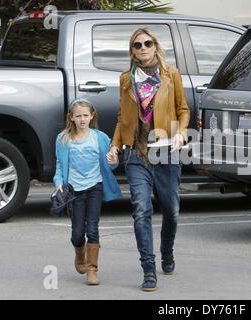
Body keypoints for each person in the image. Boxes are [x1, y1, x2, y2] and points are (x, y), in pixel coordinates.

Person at [107, 28, 190, 291]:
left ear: (155, 46)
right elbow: (123, 117)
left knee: (172, 212)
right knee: (141, 211)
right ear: (132, 51)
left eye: (148, 43)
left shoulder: (170, 75)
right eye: (137, 45)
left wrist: (181, 133)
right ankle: (148, 269)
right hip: (137, 153)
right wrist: (115, 145)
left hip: (166, 151)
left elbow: (183, 109)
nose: (143, 48)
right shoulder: (125, 79)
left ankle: (167, 252)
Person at [53, 98, 122, 286]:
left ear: (92, 116)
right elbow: (60, 165)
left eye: (85, 115)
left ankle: (92, 269)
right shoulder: (63, 138)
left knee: (92, 228)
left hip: (95, 186)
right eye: (78, 116)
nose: (82, 119)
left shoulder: (100, 137)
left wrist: (113, 160)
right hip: (74, 190)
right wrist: (58, 182)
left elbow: (112, 163)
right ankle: (79, 254)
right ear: (71, 117)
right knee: (77, 233)